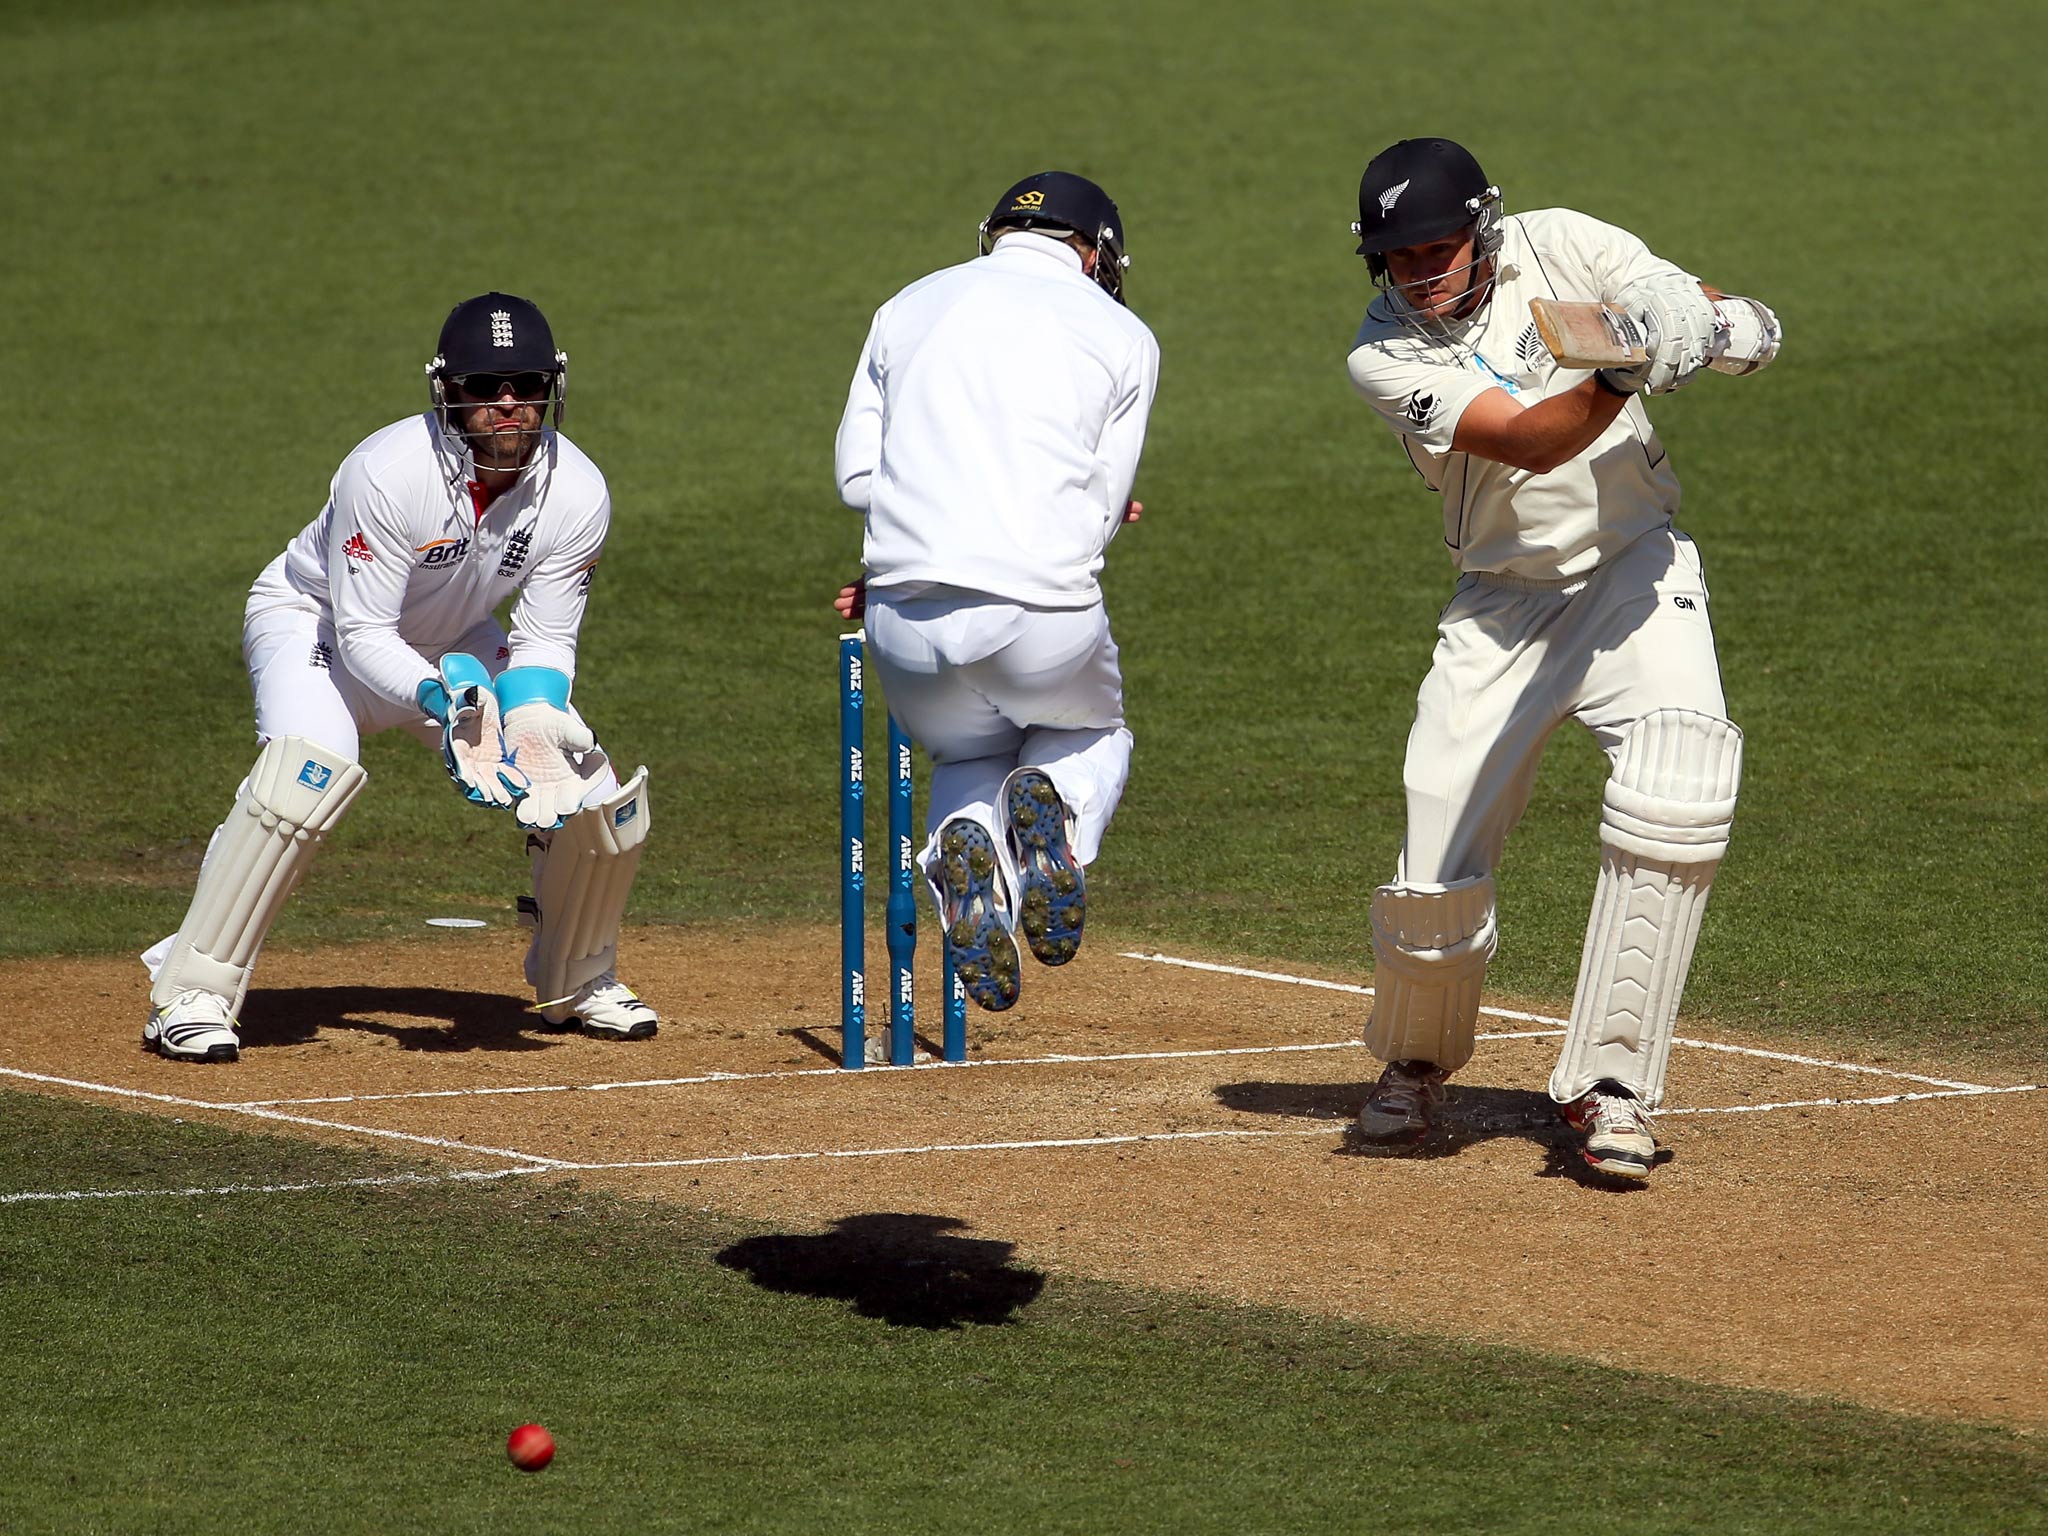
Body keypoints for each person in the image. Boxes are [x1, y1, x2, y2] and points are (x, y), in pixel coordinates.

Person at [1342, 138, 1780, 1178]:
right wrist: (1630, 371)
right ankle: (1413, 1060)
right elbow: (1533, 438)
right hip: (1501, 605)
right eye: (1397, 260)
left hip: (1633, 573)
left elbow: (1672, 296)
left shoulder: (1562, 242)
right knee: (1433, 861)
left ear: (1483, 230)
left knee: (1678, 791)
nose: (1418, 275)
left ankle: (1611, 1089)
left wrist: (1712, 327)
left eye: (1436, 251)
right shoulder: (1381, 354)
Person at [142, 293, 657, 1062]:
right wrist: (447, 701)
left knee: (587, 786)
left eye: (523, 384)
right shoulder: (387, 472)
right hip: (315, 626)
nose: (507, 404)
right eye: (485, 387)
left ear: (552, 386)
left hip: (451, 642)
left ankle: (574, 980)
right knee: (305, 776)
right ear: (447, 389)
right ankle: (192, 991)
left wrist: (536, 715)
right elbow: (363, 634)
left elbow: (546, 638)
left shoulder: (576, 490)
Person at [831, 171, 1161, 1013]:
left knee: (968, 751)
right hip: (1040, 609)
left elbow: (857, 476)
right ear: (1094, 251)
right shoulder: (1122, 333)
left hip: (901, 617)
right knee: (1094, 732)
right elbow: (1100, 502)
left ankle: (965, 843)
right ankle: (1055, 805)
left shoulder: (905, 306)